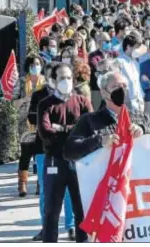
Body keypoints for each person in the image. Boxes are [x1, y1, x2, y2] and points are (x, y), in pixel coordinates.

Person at [37, 63, 93, 242]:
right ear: (53, 80)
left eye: (69, 77)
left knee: (81, 210)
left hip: (79, 162)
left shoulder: (82, 101)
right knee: (51, 211)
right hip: (55, 161)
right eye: (62, 78)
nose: (66, 81)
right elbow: (45, 132)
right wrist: (74, 129)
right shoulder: (45, 105)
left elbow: (90, 130)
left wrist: (60, 128)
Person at [28, 62, 75, 241]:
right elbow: (33, 119)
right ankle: (45, 227)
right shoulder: (40, 97)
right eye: (53, 77)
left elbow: (79, 124)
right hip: (43, 150)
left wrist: (59, 127)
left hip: (69, 150)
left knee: (70, 192)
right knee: (45, 192)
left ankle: (70, 226)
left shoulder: (73, 98)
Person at [66, 71, 150, 162]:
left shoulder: (140, 116)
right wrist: (100, 141)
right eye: (116, 86)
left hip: (137, 173)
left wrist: (143, 130)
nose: (122, 90)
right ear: (103, 92)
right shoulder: (89, 120)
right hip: (104, 174)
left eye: (124, 86)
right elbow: (69, 151)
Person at [17, 55, 46, 198]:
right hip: (25, 124)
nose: (35, 66)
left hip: (41, 123)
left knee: (40, 153)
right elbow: (12, 102)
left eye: (38, 64)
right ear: (28, 66)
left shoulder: (45, 83)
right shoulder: (22, 83)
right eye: (33, 64)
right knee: (26, 154)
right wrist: (25, 99)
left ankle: (40, 183)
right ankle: (22, 184)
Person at [88, 32, 119, 110]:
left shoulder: (113, 54)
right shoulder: (93, 55)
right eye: (106, 41)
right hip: (97, 89)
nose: (109, 43)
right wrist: (109, 66)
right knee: (97, 110)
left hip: (111, 89)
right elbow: (97, 67)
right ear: (99, 42)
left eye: (109, 41)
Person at [117, 34, 146, 113]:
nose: (138, 51)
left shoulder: (136, 62)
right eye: (136, 47)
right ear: (129, 47)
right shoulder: (119, 62)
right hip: (128, 102)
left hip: (139, 101)